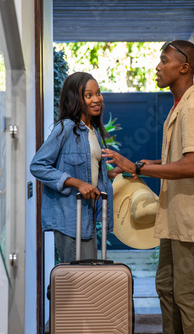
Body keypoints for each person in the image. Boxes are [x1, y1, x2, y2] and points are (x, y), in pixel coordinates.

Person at [102, 40, 194, 333]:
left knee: (187, 294)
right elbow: (187, 158)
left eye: (164, 60)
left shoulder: (193, 108)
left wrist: (139, 168)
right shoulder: (180, 105)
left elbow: (193, 166)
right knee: (166, 287)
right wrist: (151, 163)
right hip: (175, 215)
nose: (157, 66)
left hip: (190, 217)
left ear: (183, 67)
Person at [31, 72, 121, 263]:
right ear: (75, 99)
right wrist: (78, 183)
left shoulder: (93, 131)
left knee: (87, 279)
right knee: (77, 280)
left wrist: (112, 173)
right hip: (69, 217)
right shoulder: (65, 128)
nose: (97, 99)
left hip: (86, 215)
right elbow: (38, 165)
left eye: (98, 93)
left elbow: (88, 171)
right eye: (89, 95)